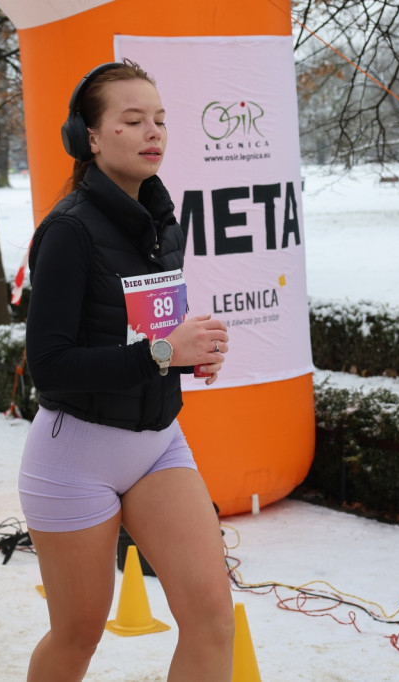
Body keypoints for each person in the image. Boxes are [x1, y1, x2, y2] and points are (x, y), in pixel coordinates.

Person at [18, 60, 235, 682]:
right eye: (133, 120)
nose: (153, 132)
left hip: (159, 444)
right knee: (79, 633)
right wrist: (167, 354)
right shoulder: (66, 231)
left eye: (161, 120)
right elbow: (51, 369)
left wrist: (190, 354)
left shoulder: (163, 220)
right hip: (74, 457)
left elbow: (146, 336)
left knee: (213, 620)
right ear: (90, 137)